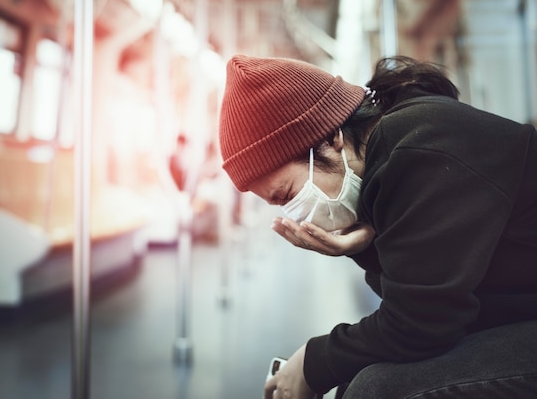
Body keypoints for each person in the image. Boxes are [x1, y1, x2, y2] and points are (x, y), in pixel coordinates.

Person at [217, 54, 537, 399]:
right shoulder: (393, 155)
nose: (293, 215)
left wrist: (314, 362)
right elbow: (425, 297)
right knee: (359, 380)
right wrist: (366, 244)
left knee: (378, 390)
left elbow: (421, 323)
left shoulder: (421, 148)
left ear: (330, 140)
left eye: (286, 196)